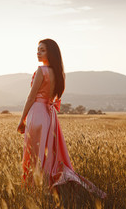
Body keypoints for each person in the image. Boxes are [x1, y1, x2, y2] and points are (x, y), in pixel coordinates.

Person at [17, 39, 106, 198]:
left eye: (42, 50)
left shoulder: (41, 71)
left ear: (50, 52)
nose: (38, 52)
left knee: (34, 154)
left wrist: (21, 120)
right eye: (38, 50)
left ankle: (35, 190)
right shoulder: (60, 74)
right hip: (49, 116)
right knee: (48, 153)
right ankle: (49, 185)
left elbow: (31, 98)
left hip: (36, 113)